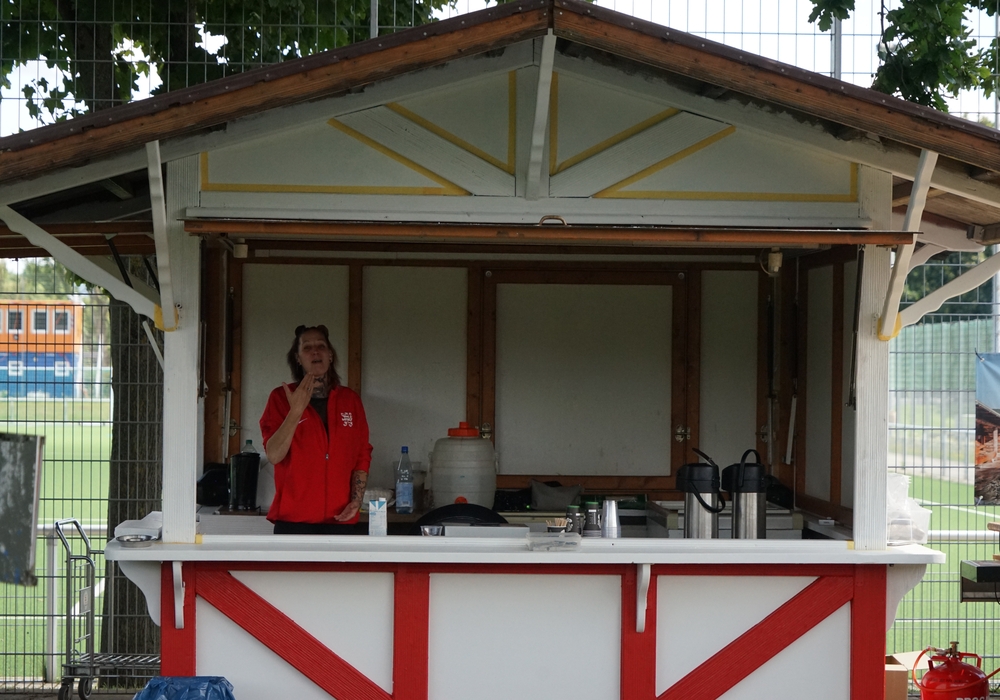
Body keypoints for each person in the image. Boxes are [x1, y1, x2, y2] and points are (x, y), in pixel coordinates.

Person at [260, 325, 372, 534]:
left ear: (330, 355)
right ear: (298, 358)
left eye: (321, 346)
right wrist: (296, 411)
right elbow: (274, 455)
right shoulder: (280, 398)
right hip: (294, 521)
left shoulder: (350, 400)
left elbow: (362, 455)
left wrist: (356, 501)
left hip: (341, 519)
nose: (315, 352)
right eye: (307, 347)